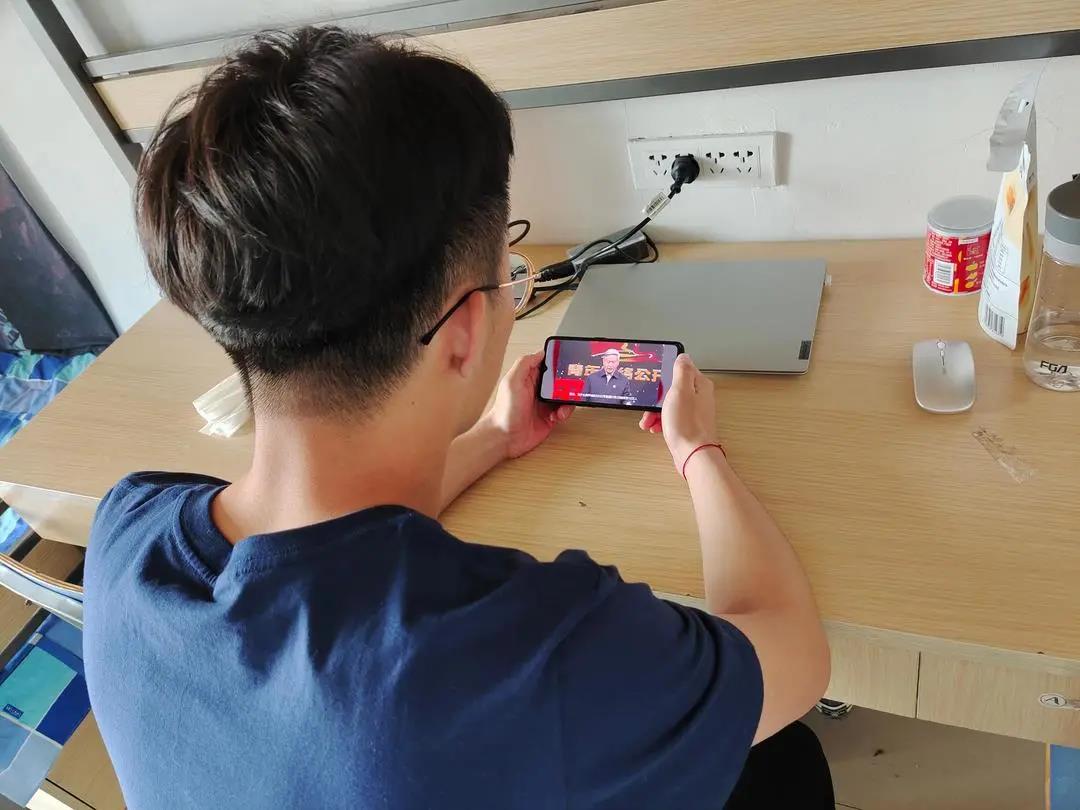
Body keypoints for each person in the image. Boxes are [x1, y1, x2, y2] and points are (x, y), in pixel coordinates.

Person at [83, 27, 833, 810]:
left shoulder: (126, 530)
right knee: (786, 764)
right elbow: (793, 655)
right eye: (510, 274)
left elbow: (321, 547)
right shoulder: (537, 653)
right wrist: (699, 450)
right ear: (466, 329)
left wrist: (494, 439)